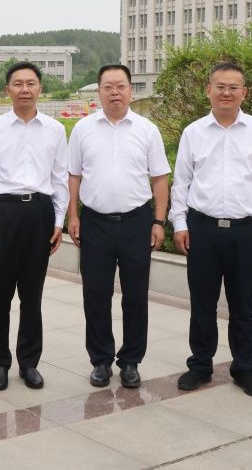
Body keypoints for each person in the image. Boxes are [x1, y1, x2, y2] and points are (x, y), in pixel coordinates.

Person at [170, 62, 252, 397]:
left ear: (244, 93)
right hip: (202, 228)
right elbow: (182, 182)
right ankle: (200, 365)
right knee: (202, 303)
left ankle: (244, 368)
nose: (226, 93)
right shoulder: (194, 132)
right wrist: (180, 223)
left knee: (243, 305)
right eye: (220, 86)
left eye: (234, 87)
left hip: (247, 230)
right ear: (209, 90)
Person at [66, 64, 169, 389]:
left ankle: (131, 361)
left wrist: (159, 221)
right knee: (95, 294)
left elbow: (160, 178)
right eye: (108, 87)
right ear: (99, 91)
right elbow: (73, 176)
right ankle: (100, 360)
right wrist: (73, 216)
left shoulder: (147, 130)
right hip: (95, 222)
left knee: (135, 295)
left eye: (120, 86)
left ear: (130, 90)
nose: (115, 92)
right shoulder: (83, 129)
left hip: (137, 222)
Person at [0, 61, 68, 391]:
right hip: (3, 212)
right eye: (18, 83)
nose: (25, 89)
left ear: (40, 88)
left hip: (39, 213)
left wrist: (58, 221)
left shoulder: (55, 130)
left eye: (31, 83)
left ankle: (29, 362)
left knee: (32, 294)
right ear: (8, 90)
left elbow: (60, 178)